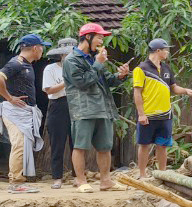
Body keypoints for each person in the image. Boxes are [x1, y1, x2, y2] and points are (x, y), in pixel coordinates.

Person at [63, 23, 130, 192]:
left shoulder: (94, 59)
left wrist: (121, 75)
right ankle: (80, 180)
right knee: (80, 146)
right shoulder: (71, 60)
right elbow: (83, 82)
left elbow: (108, 79)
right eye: (99, 37)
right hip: (84, 109)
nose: (101, 40)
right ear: (88, 37)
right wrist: (98, 63)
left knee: (105, 147)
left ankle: (106, 181)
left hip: (103, 108)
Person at [132, 39, 192, 180]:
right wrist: (141, 114)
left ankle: (162, 174)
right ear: (158, 51)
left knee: (163, 145)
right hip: (148, 115)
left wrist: (186, 90)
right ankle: (142, 174)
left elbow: (174, 88)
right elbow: (137, 93)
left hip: (166, 114)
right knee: (144, 145)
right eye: (166, 49)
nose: (168, 52)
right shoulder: (141, 69)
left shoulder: (166, 68)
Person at [1, 33, 49, 193]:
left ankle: (18, 179)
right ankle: (16, 182)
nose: (43, 50)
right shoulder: (17, 63)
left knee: (22, 145)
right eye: (42, 47)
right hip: (14, 112)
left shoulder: (27, 64)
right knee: (19, 144)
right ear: (36, 48)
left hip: (24, 111)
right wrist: (9, 98)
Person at [42, 38, 75, 189]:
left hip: (76, 105)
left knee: (77, 143)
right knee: (57, 143)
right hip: (58, 105)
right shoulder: (51, 69)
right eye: (66, 54)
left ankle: (77, 176)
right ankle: (57, 178)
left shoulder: (79, 67)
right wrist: (67, 80)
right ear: (61, 55)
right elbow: (49, 90)